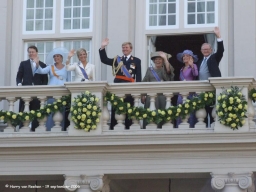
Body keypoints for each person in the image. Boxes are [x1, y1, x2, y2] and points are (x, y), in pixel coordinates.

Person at [99, 38, 142, 129]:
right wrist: (102, 47)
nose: (124, 49)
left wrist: (139, 91)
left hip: (129, 87)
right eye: (123, 48)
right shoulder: (117, 60)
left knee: (129, 108)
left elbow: (138, 77)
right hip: (118, 87)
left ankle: (128, 127)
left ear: (131, 49)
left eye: (126, 47)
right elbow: (105, 60)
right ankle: (114, 127)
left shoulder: (136, 60)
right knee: (117, 107)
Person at [35, 47, 71, 131]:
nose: (56, 58)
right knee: (50, 111)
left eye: (58, 56)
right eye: (55, 56)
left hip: (62, 92)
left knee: (61, 111)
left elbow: (69, 80)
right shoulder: (50, 67)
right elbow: (41, 71)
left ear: (61, 57)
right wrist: (37, 64)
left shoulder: (67, 68)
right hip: (51, 92)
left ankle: (60, 130)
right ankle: (49, 129)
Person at [16, 45, 48, 131]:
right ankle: (21, 129)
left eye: (33, 52)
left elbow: (45, 80)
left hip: (37, 93)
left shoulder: (42, 64)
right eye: (29, 52)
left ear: (36, 53)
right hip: (25, 91)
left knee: (36, 113)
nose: (31, 53)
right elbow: (19, 76)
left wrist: (42, 90)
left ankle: (35, 130)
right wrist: (19, 85)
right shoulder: (23, 64)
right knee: (23, 111)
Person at [197, 26, 224, 126]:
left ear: (211, 50)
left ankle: (212, 127)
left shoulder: (214, 58)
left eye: (207, 49)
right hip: (201, 90)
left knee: (212, 110)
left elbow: (221, 51)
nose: (205, 51)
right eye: (203, 49)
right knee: (202, 111)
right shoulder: (199, 62)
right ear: (201, 51)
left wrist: (218, 37)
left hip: (212, 88)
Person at [141, 51, 174, 128]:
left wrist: (166, 59)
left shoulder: (165, 69)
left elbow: (169, 71)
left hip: (162, 96)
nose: (158, 61)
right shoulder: (149, 70)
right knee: (151, 114)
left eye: (160, 59)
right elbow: (145, 81)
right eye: (156, 59)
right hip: (151, 95)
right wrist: (142, 94)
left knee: (163, 113)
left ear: (163, 61)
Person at [176, 50, 199, 128]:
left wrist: (192, 66)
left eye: (187, 56)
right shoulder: (182, 68)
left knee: (190, 110)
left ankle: (191, 127)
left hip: (190, 92)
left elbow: (196, 74)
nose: (185, 57)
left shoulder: (193, 66)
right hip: (181, 92)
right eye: (184, 56)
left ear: (191, 58)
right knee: (180, 109)